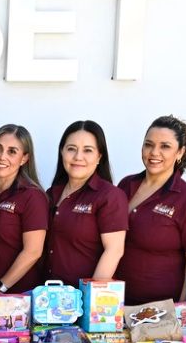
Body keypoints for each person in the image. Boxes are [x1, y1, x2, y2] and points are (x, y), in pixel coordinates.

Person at [116, 115, 186, 304]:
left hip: (161, 309)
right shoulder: (125, 185)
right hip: (112, 305)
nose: (154, 152)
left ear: (180, 152)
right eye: (148, 144)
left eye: (165, 146)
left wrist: (183, 307)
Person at [45, 120, 128, 287]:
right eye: (71, 149)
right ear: (62, 152)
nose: (78, 157)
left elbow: (114, 251)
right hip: (47, 295)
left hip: (84, 297)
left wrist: (90, 295)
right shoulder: (51, 194)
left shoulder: (110, 196)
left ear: (99, 156)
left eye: (88, 150)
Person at [0, 125, 47, 294]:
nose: (2, 157)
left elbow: (33, 251)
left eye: (12, 152)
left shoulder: (32, 196)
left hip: (15, 295)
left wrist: (1, 287)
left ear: (24, 158)